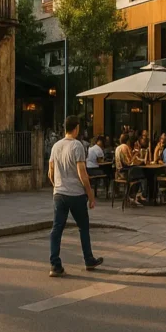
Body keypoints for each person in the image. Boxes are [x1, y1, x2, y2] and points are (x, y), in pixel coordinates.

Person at [43, 116, 103, 277]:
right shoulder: (77, 146)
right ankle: (88, 259)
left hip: (59, 193)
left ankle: (55, 264)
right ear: (76, 128)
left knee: (57, 228)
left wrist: (56, 185)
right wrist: (90, 195)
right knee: (83, 227)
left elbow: (50, 172)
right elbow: (82, 174)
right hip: (76, 194)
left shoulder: (56, 146)